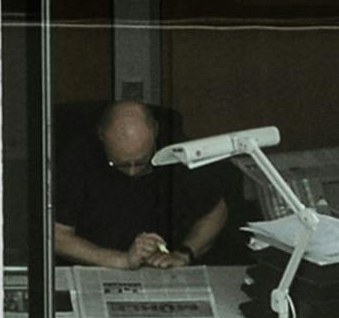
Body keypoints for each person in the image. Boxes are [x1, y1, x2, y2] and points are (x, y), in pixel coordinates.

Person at [49, 92, 232, 272]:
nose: (132, 171)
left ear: (155, 132)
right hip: (98, 264)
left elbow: (215, 211)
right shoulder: (76, 157)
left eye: (142, 162)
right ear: (101, 135)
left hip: (166, 265)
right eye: (121, 164)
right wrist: (122, 260)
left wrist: (184, 253)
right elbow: (57, 236)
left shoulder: (176, 152)